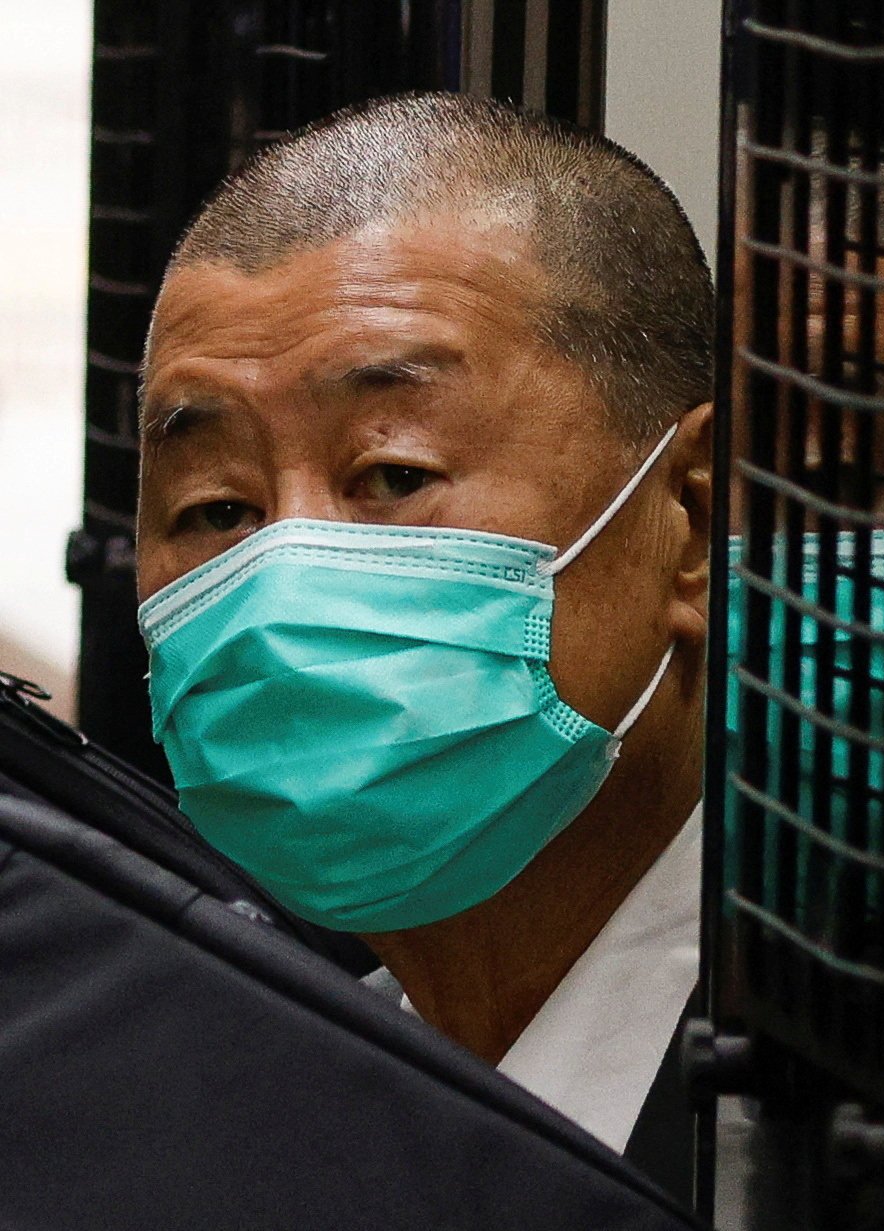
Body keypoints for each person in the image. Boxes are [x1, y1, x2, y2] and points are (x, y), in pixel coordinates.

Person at [133, 92, 714, 1193]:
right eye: (217, 510)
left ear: (693, 517)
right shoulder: (221, 1121)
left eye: (392, 477)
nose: (284, 577)